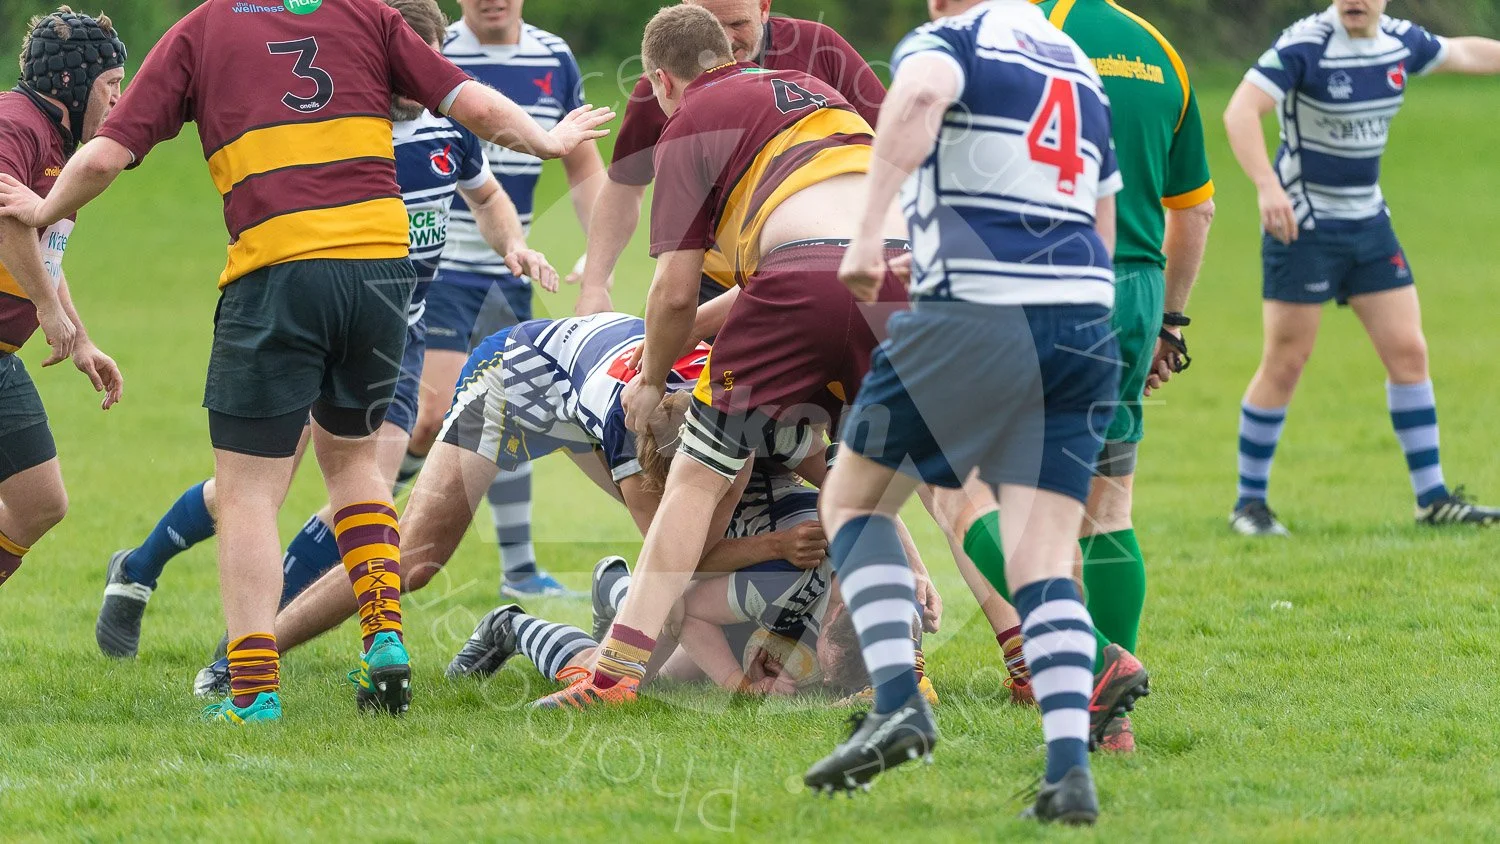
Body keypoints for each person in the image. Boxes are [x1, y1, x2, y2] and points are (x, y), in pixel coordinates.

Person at [0, 0, 612, 725]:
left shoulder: (204, 27)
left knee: (250, 489)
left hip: (280, 268)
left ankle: (254, 692)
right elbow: (469, 100)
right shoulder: (371, 14)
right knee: (355, 468)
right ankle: (383, 638)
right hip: (384, 272)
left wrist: (41, 211)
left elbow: (104, 156)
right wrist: (545, 139)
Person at [93, 0, 557, 661]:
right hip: (316, 307)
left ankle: (254, 641)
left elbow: (487, 197)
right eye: (399, 81)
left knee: (352, 484)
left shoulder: (449, 135)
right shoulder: (341, 142)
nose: (411, 94)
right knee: (256, 488)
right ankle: (142, 568)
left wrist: (513, 244)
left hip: (391, 330)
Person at [532, 4, 939, 713]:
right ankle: (1006, 661)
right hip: (901, 274)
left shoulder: (690, 119)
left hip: (796, 282)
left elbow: (673, 291)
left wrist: (651, 377)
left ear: (660, 81)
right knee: (930, 482)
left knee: (694, 477)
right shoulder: (812, 87)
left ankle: (615, 676)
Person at [801, 0, 1132, 822]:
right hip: (1084, 326)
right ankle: (1067, 772)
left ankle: (897, 703)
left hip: (977, 314)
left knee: (851, 498)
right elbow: (1104, 211)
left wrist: (868, 233)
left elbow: (914, 105)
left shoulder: (951, 39)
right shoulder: (1073, 63)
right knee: (1043, 555)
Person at [955, 0, 1216, 751]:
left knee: (958, 480)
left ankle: (1091, 659)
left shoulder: (1010, 33)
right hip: (1134, 290)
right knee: (1108, 506)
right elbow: (1192, 211)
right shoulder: (1158, 48)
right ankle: (1113, 720)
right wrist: (1168, 322)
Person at [1225, 0, 1500, 535]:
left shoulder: (1400, 42)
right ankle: (1248, 505)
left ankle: (1433, 499)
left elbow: (1465, 51)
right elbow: (1240, 110)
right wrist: (1266, 186)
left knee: (1409, 351)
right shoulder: (1304, 44)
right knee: (1286, 361)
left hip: (1370, 225)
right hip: (1302, 226)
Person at [402, 0, 610, 599]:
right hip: (435, 269)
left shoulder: (553, 56)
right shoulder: (432, 48)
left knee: (509, 413)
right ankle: (359, 540)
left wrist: (596, 255)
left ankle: (519, 572)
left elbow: (582, 166)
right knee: (429, 420)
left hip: (512, 266)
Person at [572, 0, 887, 316]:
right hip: (718, 275)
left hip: (825, 257)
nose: (723, 41)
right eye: (708, 23)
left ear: (764, 8)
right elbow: (624, 189)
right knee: (680, 357)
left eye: (738, 24)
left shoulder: (819, 49)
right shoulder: (664, 83)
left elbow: (895, 150)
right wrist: (594, 286)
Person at [0, 7, 125, 589]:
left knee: (39, 501)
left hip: (3, 357)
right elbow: (6, 220)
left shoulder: (62, 144)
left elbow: (44, 251)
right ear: (72, 84)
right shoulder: (14, 123)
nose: (119, 101)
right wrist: (48, 313)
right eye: (111, 86)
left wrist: (78, 336)